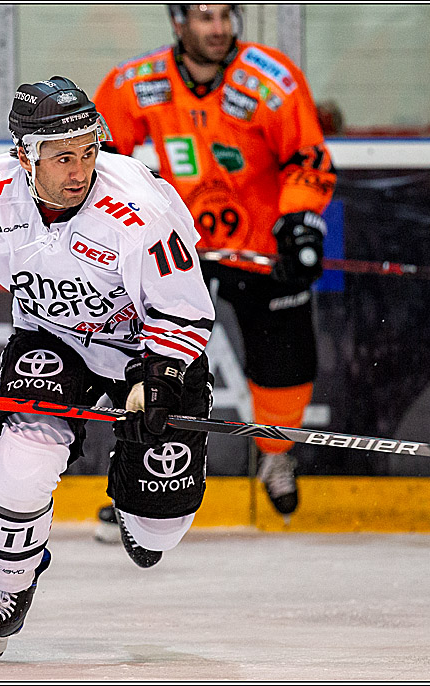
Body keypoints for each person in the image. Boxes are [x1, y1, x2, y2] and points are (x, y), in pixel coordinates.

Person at [0, 77, 216, 664]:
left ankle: (139, 505)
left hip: (144, 348)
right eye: (62, 156)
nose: (80, 171)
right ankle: (5, 592)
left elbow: (182, 308)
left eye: (89, 151)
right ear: (25, 155)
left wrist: (161, 378)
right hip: (51, 337)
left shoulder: (139, 208)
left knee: (158, 533)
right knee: (22, 461)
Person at [93, 4, 336, 519]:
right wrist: (115, 224)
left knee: (284, 365)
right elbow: (102, 161)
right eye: (204, 16)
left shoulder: (270, 79)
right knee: (156, 360)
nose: (218, 27)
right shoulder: (135, 82)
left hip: (260, 245)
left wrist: (299, 220)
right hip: (179, 248)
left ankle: (275, 454)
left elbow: (307, 157)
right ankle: (137, 469)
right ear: (178, 22)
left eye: (226, 14)